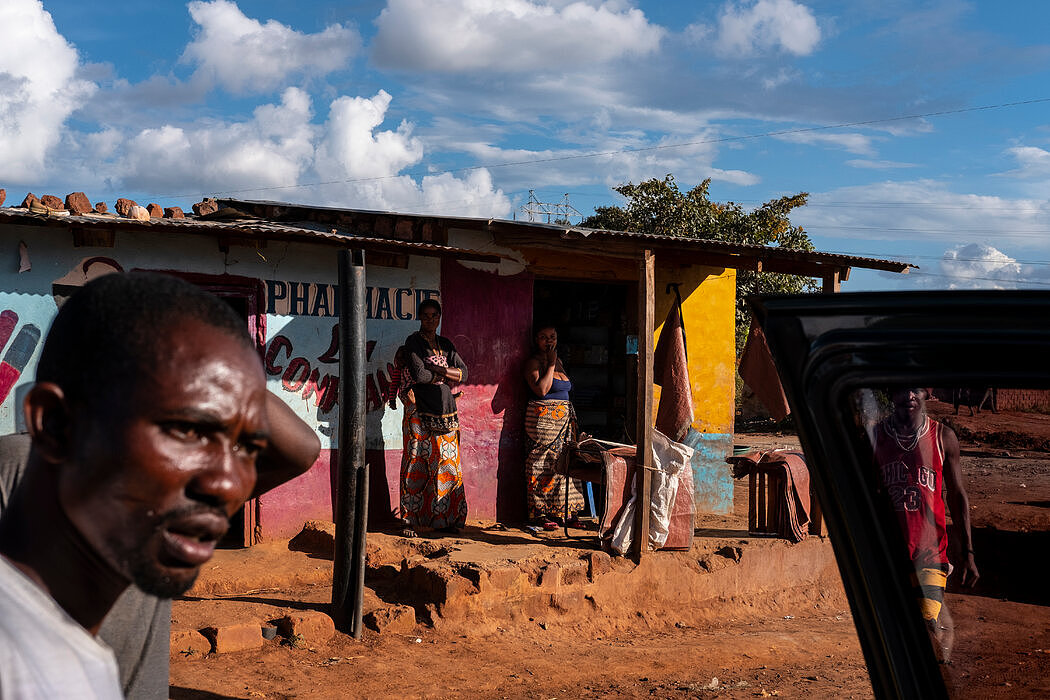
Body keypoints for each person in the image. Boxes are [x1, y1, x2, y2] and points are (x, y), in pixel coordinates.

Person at [0, 272, 320, 698]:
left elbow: (301, 447)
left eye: (246, 444)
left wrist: (219, 369)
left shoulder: (83, 668)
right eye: (186, 430)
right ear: (56, 426)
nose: (228, 485)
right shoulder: (21, 669)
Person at [872, 387, 979, 664]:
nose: (908, 393)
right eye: (900, 386)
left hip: (930, 554)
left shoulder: (943, 437)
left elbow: (957, 496)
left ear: (927, 393)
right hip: (889, 555)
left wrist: (968, 553)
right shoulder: (875, 437)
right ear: (889, 392)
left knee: (925, 621)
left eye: (915, 387)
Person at [397, 299, 468, 537]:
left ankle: (446, 518)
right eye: (426, 315)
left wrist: (438, 370)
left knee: (446, 463)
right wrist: (446, 374)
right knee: (416, 462)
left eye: (434, 315)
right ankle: (412, 520)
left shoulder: (446, 344)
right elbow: (419, 374)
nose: (430, 320)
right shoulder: (413, 342)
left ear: (439, 318)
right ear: (419, 317)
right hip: (418, 410)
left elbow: (464, 373)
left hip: (445, 410)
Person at [523, 323, 586, 530]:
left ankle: (566, 512)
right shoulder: (533, 363)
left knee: (565, 464)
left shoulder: (559, 361)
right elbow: (541, 390)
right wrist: (549, 365)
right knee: (541, 467)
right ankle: (541, 514)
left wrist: (554, 362)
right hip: (542, 425)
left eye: (552, 336)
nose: (549, 341)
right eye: (543, 337)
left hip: (563, 424)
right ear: (536, 340)